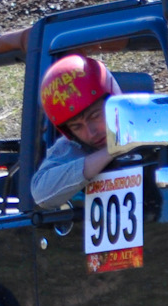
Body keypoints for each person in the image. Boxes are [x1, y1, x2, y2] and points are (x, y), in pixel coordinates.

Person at [30, 54, 118, 210]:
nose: (91, 133)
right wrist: (111, 151)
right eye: (77, 126)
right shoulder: (72, 145)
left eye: (95, 116)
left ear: (114, 101)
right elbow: (41, 192)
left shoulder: (146, 119)